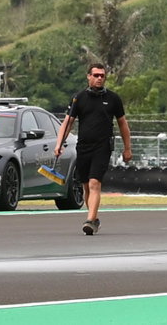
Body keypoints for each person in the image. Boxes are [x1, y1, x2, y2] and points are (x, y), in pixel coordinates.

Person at [55, 62, 132, 235]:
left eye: (102, 76)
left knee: (95, 182)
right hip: (83, 147)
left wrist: (127, 148)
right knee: (86, 187)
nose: (99, 78)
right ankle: (94, 217)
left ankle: (90, 220)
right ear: (88, 76)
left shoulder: (113, 99)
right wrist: (59, 144)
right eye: (96, 75)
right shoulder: (78, 98)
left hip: (102, 147)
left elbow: (123, 125)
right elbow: (68, 124)